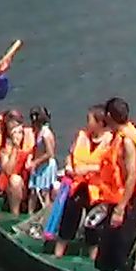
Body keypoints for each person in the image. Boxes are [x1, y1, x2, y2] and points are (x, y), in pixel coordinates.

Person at [90, 97, 136, 271]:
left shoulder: (127, 141)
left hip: (128, 202)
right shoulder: (119, 134)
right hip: (116, 199)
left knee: (123, 249)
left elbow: (131, 176)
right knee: (107, 247)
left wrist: (120, 209)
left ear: (110, 116)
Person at [48, 108, 110, 258]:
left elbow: (109, 167)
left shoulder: (110, 141)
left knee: (93, 229)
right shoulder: (81, 135)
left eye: (90, 120)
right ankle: (58, 255)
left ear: (100, 123)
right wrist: (69, 165)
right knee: (68, 219)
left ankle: (93, 261)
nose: (87, 123)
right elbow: (71, 155)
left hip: (97, 191)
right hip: (77, 186)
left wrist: (88, 169)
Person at [19, 108, 58, 216]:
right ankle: (30, 214)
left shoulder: (45, 134)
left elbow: (50, 153)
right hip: (39, 165)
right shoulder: (40, 132)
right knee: (33, 192)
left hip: (45, 166)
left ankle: (45, 216)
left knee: (44, 192)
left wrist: (35, 162)